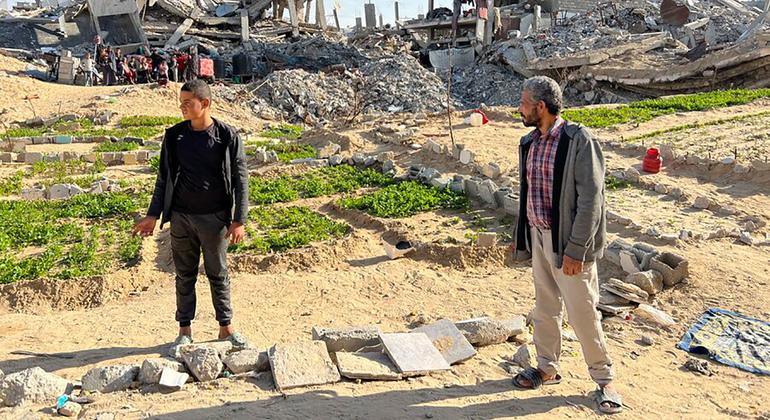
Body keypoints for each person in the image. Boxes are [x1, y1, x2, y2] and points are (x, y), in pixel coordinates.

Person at [510, 76, 623, 415]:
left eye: (524, 103)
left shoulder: (578, 140)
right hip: (541, 238)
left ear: (540, 107)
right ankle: (547, 367)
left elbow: (592, 200)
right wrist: (526, 239)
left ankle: (605, 381)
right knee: (545, 308)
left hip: (569, 245)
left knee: (583, 313)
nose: (519, 108)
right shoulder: (529, 142)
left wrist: (576, 249)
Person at [132, 79, 250, 351]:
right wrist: (153, 214)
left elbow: (241, 181)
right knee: (184, 276)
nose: (182, 108)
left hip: (215, 218)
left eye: (188, 103)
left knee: (218, 273)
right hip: (182, 217)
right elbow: (164, 178)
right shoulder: (174, 136)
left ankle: (226, 328)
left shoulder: (227, 137)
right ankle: (184, 330)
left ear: (204, 103)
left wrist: (238, 220)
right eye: (181, 103)